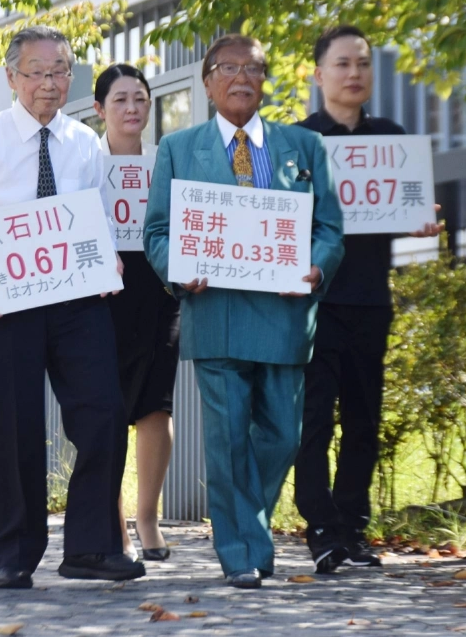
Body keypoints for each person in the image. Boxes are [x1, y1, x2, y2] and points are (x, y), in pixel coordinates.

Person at [0, 26, 146, 589]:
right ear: (11, 77)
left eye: (59, 72)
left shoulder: (83, 142)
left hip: (78, 302)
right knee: (16, 425)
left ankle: (92, 548)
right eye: (37, 72)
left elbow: (96, 217)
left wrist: (109, 261)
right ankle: (14, 552)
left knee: (103, 414)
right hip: (5, 305)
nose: (49, 83)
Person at [144, 34, 344, 588]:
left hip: (283, 315)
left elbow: (328, 229)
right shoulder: (179, 149)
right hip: (216, 314)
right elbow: (157, 231)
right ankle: (242, 551)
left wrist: (315, 268)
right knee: (227, 438)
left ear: (265, 80)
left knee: (282, 437)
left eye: (252, 68)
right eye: (228, 68)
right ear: (207, 81)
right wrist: (177, 269)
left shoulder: (302, 148)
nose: (241, 78)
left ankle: (243, 529)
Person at [295, 25, 444, 573]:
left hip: (370, 300)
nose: (354, 74)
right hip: (313, 305)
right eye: (342, 64)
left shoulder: (392, 137)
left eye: (362, 64)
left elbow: (398, 211)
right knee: (313, 421)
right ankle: (321, 530)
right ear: (318, 75)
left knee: (363, 419)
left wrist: (418, 224)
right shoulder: (299, 140)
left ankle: (354, 529)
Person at [93, 64, 181, 562]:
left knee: (155, 404)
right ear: (100, 109)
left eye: (140, 99)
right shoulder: (84, 160)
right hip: (101, 295)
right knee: (104, 409)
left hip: (158, 292)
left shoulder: (165, 160)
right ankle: (112, 523)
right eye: (121, 100)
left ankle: (147, 517)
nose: (132, 109)